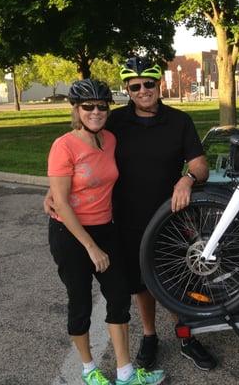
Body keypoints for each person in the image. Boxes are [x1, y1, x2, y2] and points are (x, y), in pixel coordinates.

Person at [45, 58, 217, 371]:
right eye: (134, 86)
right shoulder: (114, 122)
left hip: (170, 219)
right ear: (127, 89)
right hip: (125, 221)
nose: (142, 91)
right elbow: (81, 152)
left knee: (176, 281)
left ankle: (187, 337)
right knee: (139, 285)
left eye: (148, 84)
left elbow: (200, 165)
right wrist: (54, 192)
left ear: (159, 84)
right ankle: (149, 336)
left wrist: (188, 178)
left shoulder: (180, 121)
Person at [47, 78, 166, 385]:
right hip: (72, 235)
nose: (96, 112)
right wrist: (90, 246)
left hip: (105, 227)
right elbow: (60, 200)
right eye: (88, 106)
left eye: (102, 106)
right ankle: (88, 370)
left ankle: (125, 372)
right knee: (80, 301)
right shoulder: (64, 145)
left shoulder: (110, 140)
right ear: (76, 109)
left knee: (118, 296)